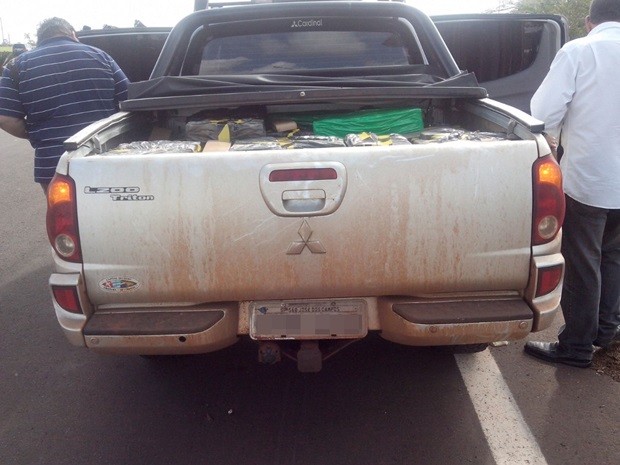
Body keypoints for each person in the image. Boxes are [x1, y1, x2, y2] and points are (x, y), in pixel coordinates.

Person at [525, 0, 620, 368]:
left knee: (582, 261)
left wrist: (548, 138)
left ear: (589, 21)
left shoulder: (581, 49)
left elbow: (543, 112)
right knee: (612, 255)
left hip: (590, 178)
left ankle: (576, 346)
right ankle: (606, 330)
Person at [0, 17, 129, 194]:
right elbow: (128, 100)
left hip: (52, 162)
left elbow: (6, 119)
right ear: (73, 34)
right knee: (109, 213)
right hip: (103, 155)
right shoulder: (101, 56)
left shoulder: (17, 66)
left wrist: (39, 135)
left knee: (62, 218)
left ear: (40, 40)